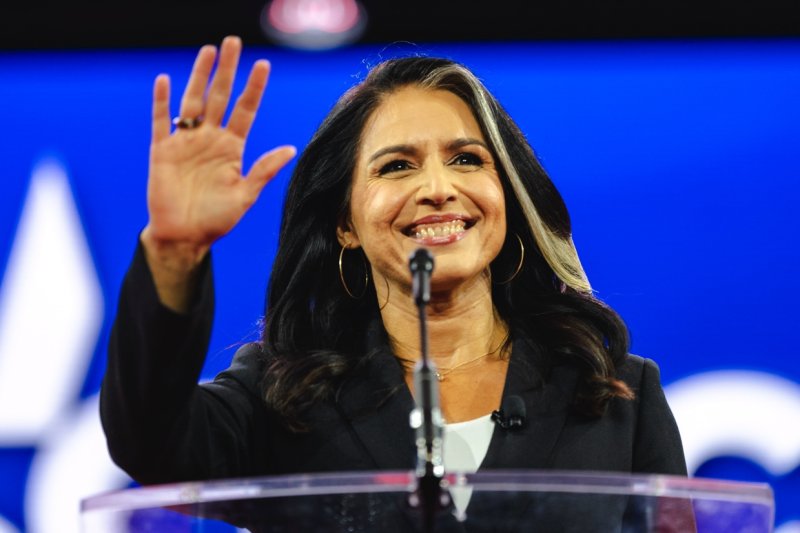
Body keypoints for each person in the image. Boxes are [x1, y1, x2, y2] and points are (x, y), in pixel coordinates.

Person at [100, 35, 687, 521]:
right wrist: (174, 252)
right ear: (345, 225)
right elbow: (151, 442)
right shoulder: (281, 399)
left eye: (467, 159)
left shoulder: (617, 398)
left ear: (507, 194)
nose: (437, 188)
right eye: (397, 166)